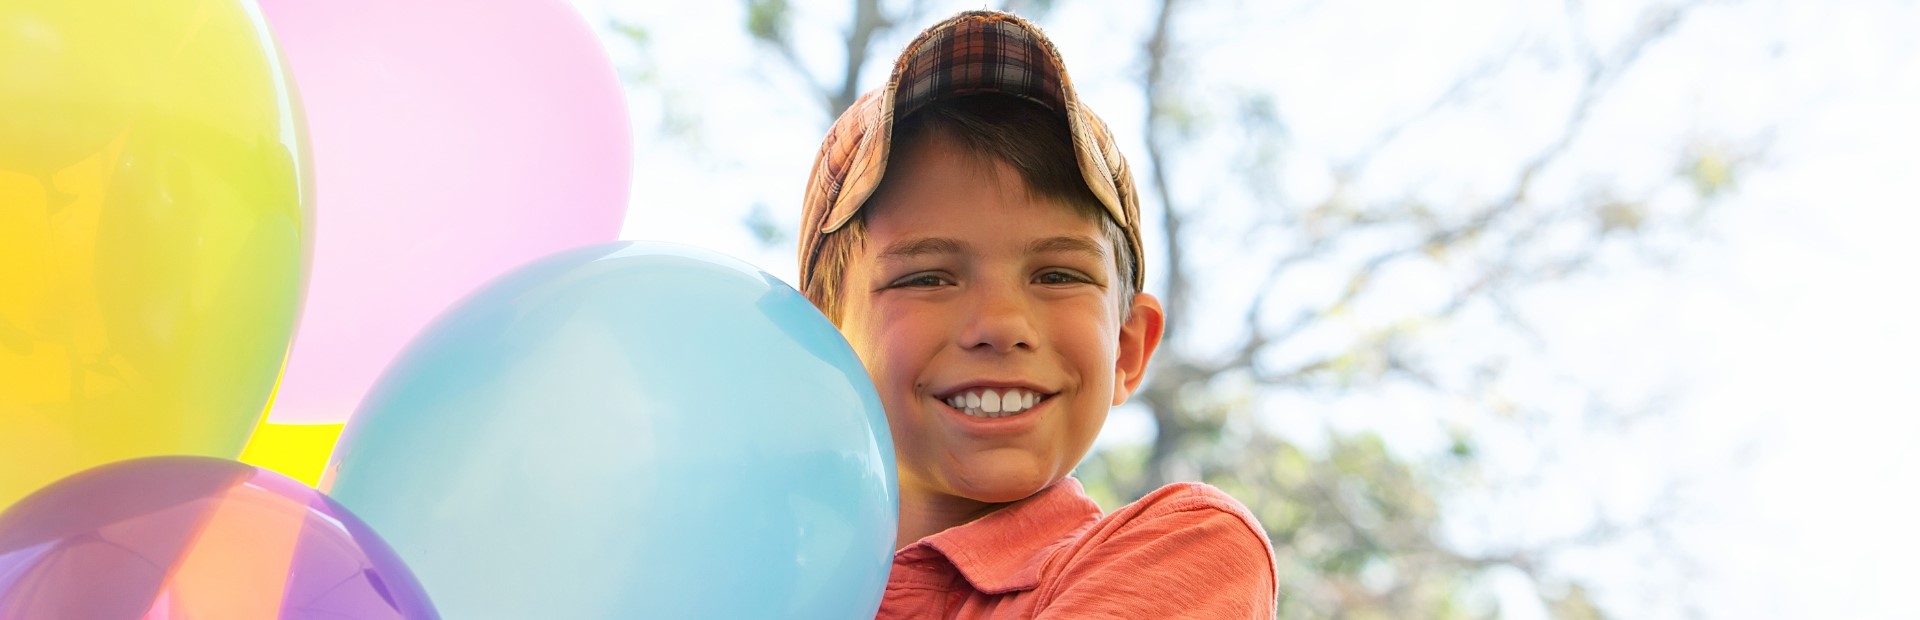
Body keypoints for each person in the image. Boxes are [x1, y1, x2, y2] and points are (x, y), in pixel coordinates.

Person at [796, 10, 1278, 619]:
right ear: (816, 350)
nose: (1000, 324)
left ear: (1129, 350)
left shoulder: (1188, 551)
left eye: (1058, 276)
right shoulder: (744, 568)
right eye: (927, 277)